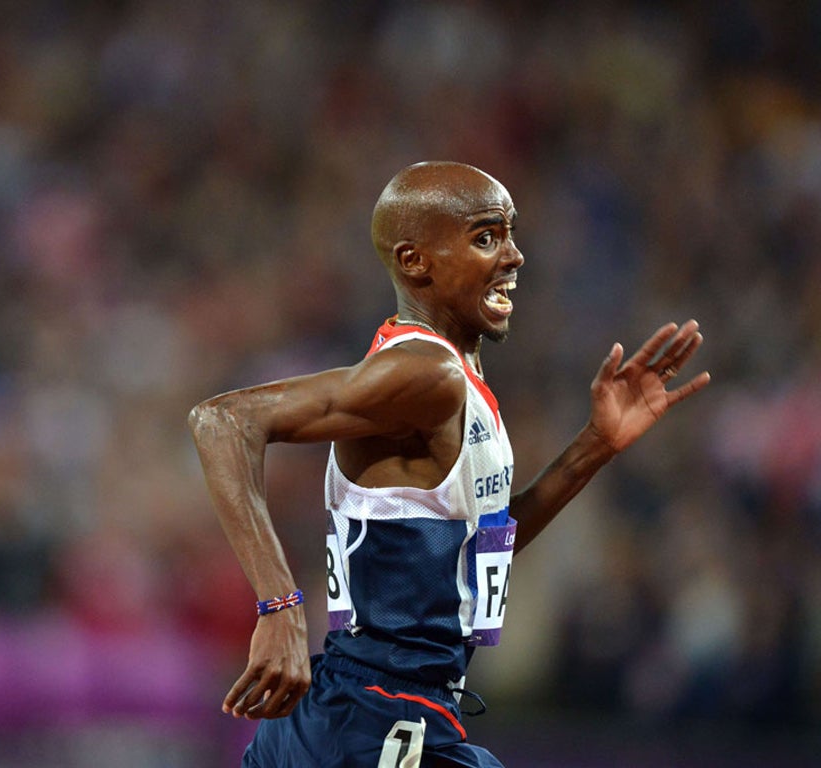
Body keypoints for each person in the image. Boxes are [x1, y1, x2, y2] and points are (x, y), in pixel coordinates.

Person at [188, 161, 710, 767]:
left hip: (358, 710)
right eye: (487, 237)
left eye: (511, 233)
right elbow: (223, 422)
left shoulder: (453, 374)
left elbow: (475, 549)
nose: (514, 256)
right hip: (379, 717)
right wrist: (278, 605)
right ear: (415, 262)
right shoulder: (425, 374)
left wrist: (596, 443)